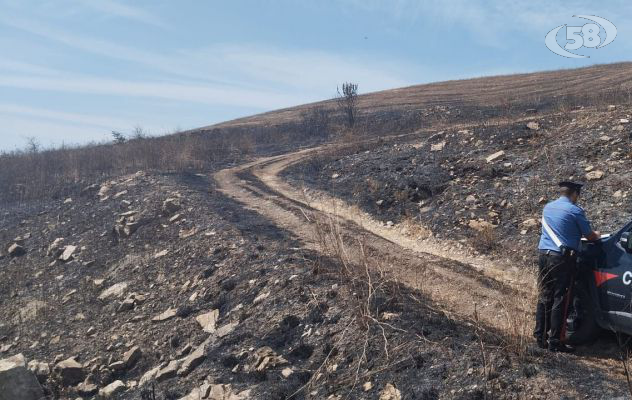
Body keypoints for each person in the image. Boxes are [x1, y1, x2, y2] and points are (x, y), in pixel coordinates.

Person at [534, 181, 600, 352]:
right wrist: (598, 235)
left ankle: (539, 337)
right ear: (574, 194)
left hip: (543, 255)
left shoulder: (548, 207)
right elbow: (589, 236)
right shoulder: (575, 211)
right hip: (561, 259)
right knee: (561, 299)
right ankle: (555, 342)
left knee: (544, 296)